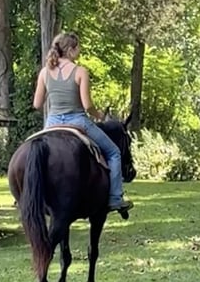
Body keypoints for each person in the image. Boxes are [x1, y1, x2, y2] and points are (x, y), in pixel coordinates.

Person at [32, 32, 133, 213]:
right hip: (77, 121)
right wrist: (100, 115)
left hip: (52, 122)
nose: (79, 52)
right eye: (78, 48)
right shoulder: (80, 71)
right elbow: (87, 105)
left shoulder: (45, 72)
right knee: (114, 153)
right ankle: (115, 198)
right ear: (70, 50)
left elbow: (37, 104)